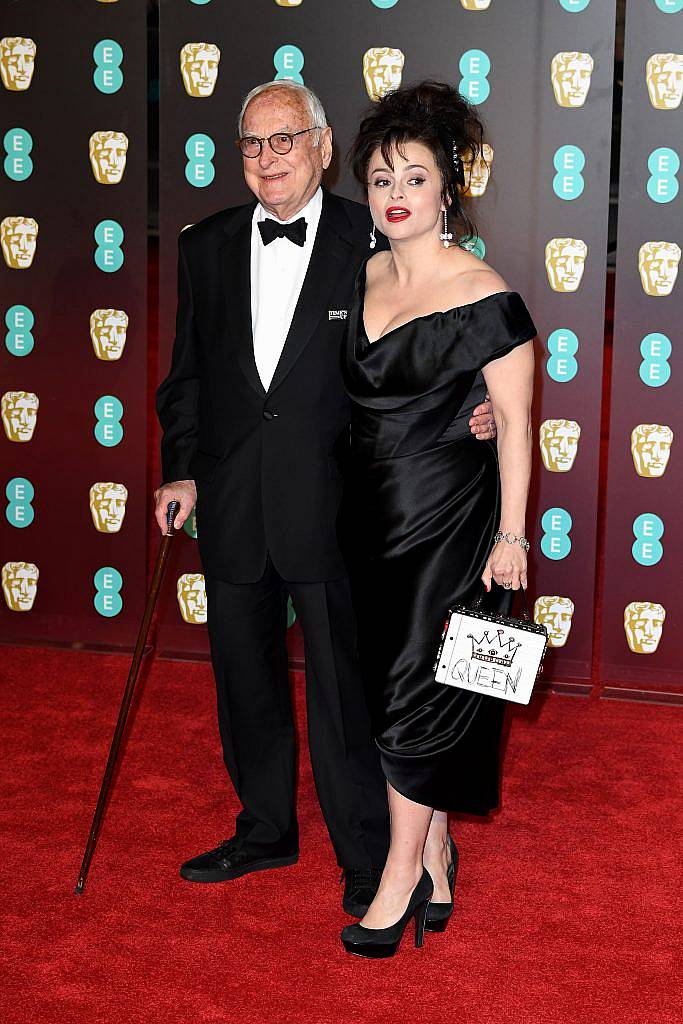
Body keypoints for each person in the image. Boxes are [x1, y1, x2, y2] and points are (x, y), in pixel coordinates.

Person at [155, 80, 496, 916]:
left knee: (345, 692)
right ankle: (264, 828)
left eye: (283, 141)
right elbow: (188, 376)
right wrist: (181, 468)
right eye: (251, 145)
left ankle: (367, 849)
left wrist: (468, 409)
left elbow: (425, 331)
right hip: (232, 499)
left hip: (338, 502)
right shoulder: (204, 245)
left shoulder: (368, 233)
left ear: (319, 144)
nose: (267, 159)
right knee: (244, 679)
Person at [339, 81, 536, 957]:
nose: (395, 195)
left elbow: (516, 426)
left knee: (420, 698)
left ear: (447, 189)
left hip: (449, 529)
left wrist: (511, 539)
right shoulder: (363, 271)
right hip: (365, 525)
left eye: (413, 178)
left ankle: (399, 876)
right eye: (381, 178)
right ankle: (440, 849)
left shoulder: (486, 295)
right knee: (383, 696)